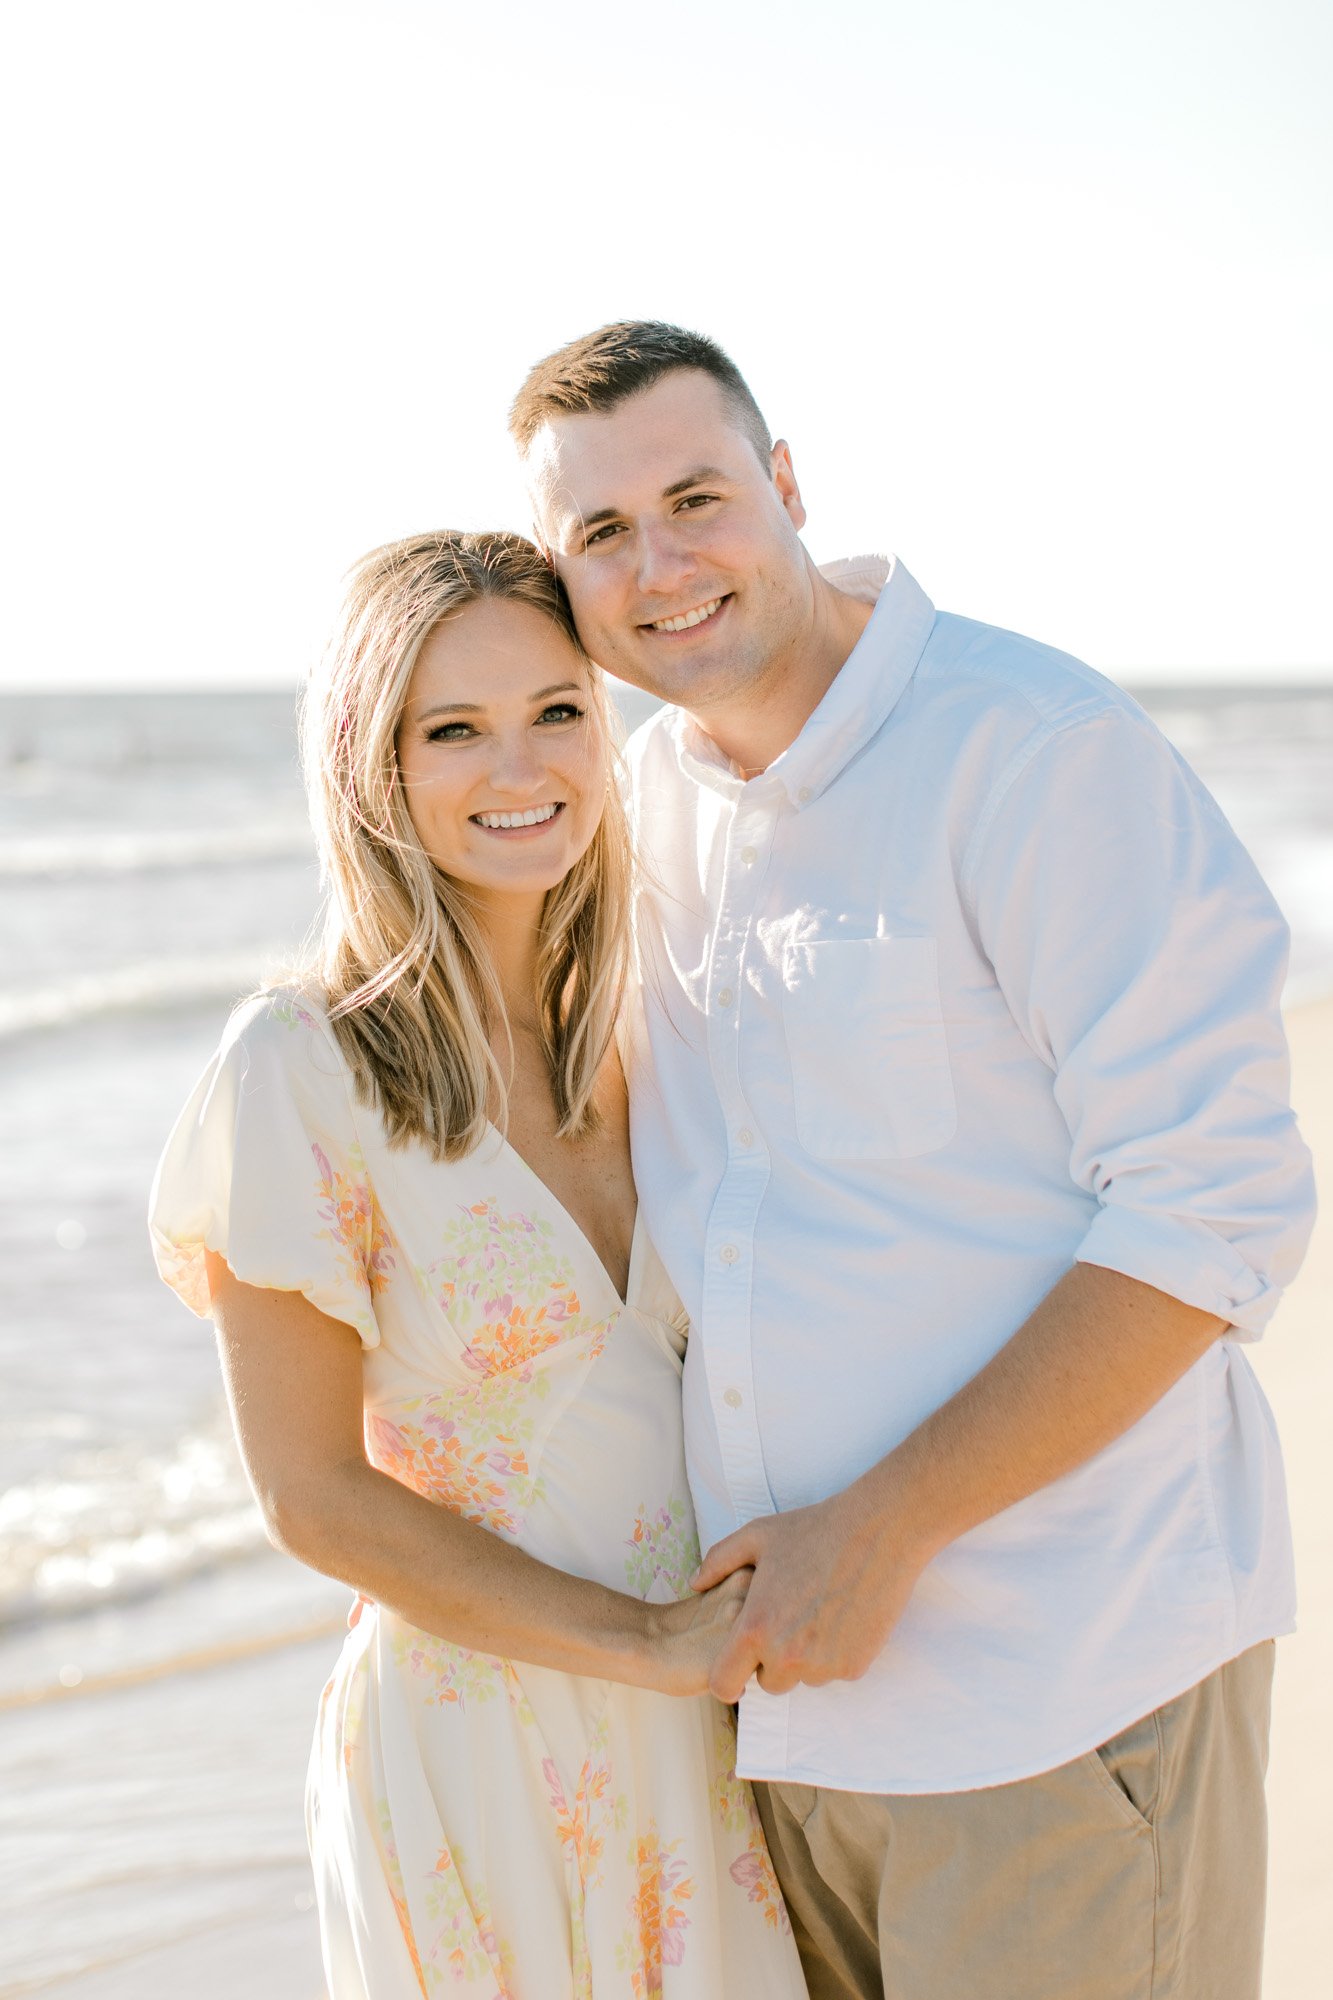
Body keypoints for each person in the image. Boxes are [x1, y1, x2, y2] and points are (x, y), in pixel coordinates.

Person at [508, 322, 1318, 2000]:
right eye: (600, 535)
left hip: (1057, 1686)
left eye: (695, 498)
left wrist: (880, 1530)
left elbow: (1216, 1203)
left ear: (786, 485)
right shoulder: (640, 804)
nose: (659, 566)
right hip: (787, 1725)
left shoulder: (1026, 751)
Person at [149, 532, 808, 1998]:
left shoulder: (655, 1033)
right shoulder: (300, 1071)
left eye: (554, 711)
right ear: (371, 767)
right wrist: (645, 1643)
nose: (519, 768)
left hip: (707, 1740)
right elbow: (309, 1493)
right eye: (452, 729)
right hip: (484, 1752)